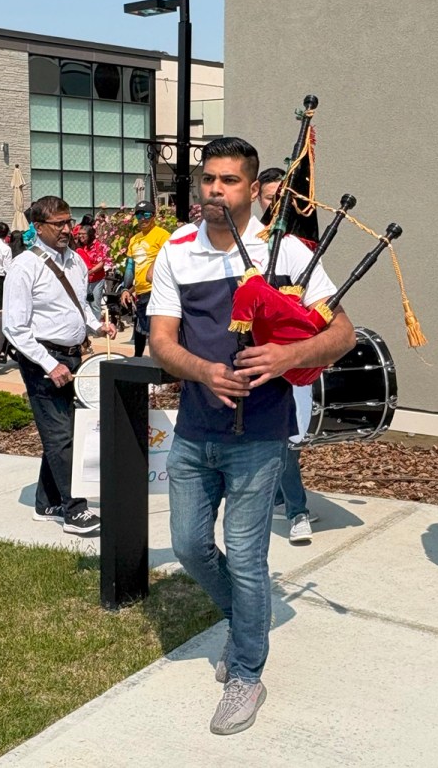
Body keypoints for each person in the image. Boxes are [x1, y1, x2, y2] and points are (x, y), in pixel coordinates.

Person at [148, 137, 355, 735]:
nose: (214, 189)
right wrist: (202, 370)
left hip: (260, 434)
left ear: (250, 188)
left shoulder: (287, 250)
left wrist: (289, 352)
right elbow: (163, 342)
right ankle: (247, 623)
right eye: (207, 179)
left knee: (245, 555)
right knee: (189, 546)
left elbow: (341, 333)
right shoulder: (177, 252)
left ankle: (246, 672)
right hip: (193, 427)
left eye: (228, 181)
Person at [2, 196, 117, 536]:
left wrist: (97, 325)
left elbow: (79, 305)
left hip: (71, 357)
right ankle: (74, 511)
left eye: (69, 222)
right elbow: (14, 327)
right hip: (42, 360)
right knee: (62, 436)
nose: (68, 229)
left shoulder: (77, 263)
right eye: (59, 224)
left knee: (65, 434)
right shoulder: (24, 267)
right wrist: (50, 364)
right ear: (38, 227)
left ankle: (47, 501)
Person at [254, 167, 319, 542]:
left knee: (288, 441)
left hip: (290, 362)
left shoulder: (298, 249)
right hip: (250, 361)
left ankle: (297, 511)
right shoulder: (242, 244)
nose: (277, 207)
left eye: (285, 199)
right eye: (269, 199)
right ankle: (280, 497)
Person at [120, 201, 170, 356]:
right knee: (140, 328)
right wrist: (126, 289)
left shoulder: (162, 235)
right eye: (139, 215)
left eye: (146, 215)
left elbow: (171, 261)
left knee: (155, 332)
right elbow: (130, 266)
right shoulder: (134, 239)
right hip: (140, 292)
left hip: (157, 290)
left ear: (153, 216)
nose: (143, 219)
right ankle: (138, 361)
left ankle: (162, 364)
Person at [74, 224, 110, 320]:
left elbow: (102, 263)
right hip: (86, 280)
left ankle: (96, 328)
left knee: (95, 304)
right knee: (86, 304)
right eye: (79, 234)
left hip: (97, 279)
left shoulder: (99, 246)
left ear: (90, 235)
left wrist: (90, 271)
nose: (80, 236)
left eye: (83, 234)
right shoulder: (83, 247)